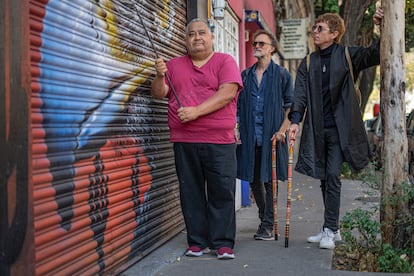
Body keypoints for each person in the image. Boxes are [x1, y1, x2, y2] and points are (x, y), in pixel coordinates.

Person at [288, 8, 384, 249]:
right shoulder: (309, 61)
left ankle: (330, 229)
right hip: (317, 130)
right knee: (323, 177)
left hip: (342, 131)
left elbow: (376, 53)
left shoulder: (348, 55)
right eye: (315, 28)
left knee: (332, 176)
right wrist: (294, 122)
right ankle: (332, 228)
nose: (315, 31)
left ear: (335, 33)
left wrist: (380, 27)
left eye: (320, 28)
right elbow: (299, 95)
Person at [151, 18, 243, 259]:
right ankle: (197, 241)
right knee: (190, 191)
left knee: (221, 190)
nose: (197, 37)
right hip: (185, 140)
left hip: (219, 140)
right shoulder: (173, 65)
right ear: (186, 40)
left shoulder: (225, 61)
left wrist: (196, 111)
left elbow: (228, 93)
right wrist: (160, 76)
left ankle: (222, 243)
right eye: (191, 34)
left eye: (202, 33)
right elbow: (159, 93)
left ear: (212, 37)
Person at [236, 30, 293, 240]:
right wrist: (236, 126)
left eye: (261, 43)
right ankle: (265, 218)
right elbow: (238, 106)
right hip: (250, 136)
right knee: (252, 178)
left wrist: (282, 130)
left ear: (272, 48)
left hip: (272, 136)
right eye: (254, 44)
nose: (257, 46)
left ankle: (268, 225)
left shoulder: (281, 75)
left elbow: (291, 107)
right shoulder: (245, 75)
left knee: (270, 180)